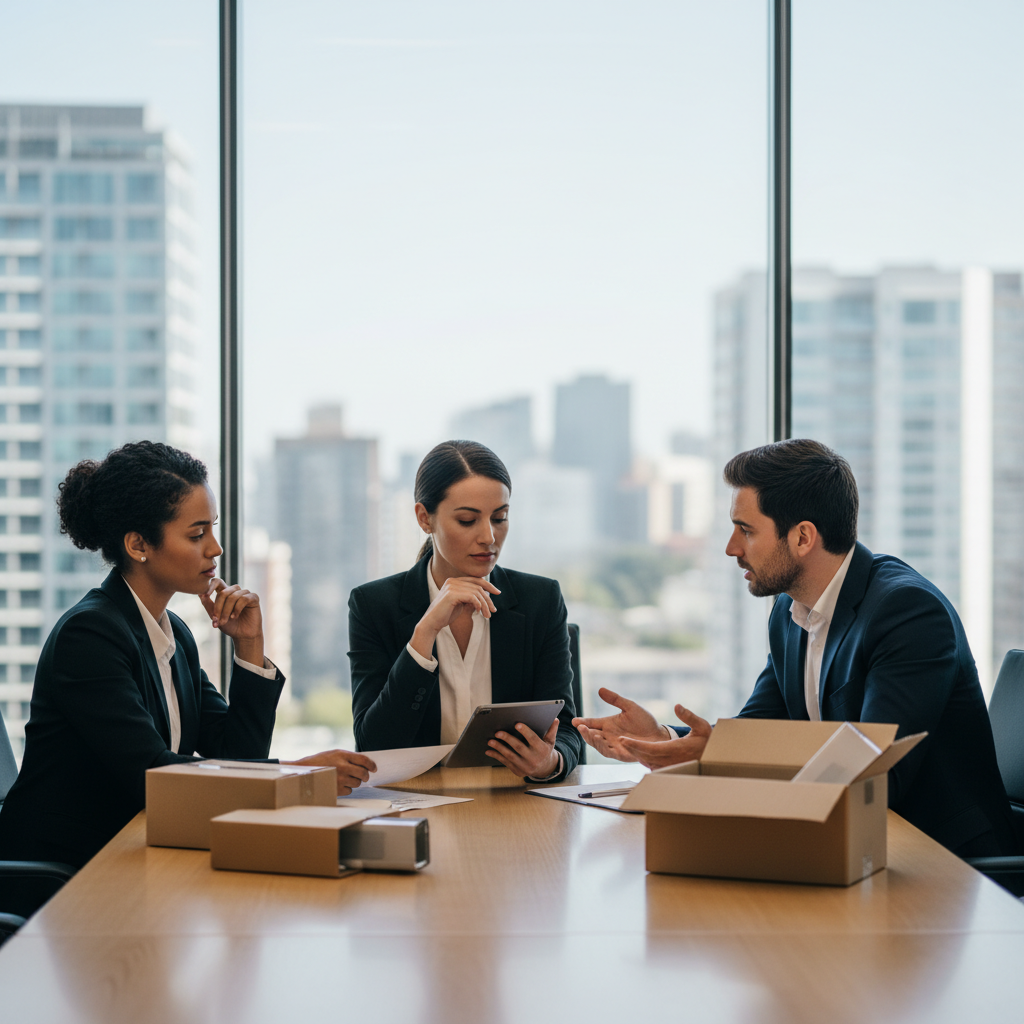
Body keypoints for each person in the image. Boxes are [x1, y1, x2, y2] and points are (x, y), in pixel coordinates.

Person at [574, 439, 1016, 857]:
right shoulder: (790, 612)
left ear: (803, 537)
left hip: (943, 862)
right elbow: (758, 732)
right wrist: (663, 739)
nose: (731, 549)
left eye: (746, 530)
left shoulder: (907, 612)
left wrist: (713, 754)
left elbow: (876, 774)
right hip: (849, 843)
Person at [0, 442, 376, 869]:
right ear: (138, 544)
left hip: (139, 852)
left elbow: (238, 757)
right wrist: (301, 775)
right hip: (66, 871)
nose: (215, 549)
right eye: (197, 535)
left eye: (211, 530)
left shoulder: (173, 634)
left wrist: (249, 645)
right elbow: (156, 775)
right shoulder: (88, 636)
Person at [349, 440, 582, 781]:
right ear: (424, 518)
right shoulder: (373, 605)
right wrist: (424, 634)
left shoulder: (540, 600)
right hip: (417, 800)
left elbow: (568, 731)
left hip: (513, 801)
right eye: (467, 520)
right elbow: (373, 748)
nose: (489, 536)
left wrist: (549, 763)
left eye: (500, 518)